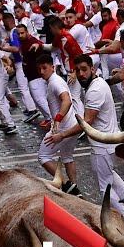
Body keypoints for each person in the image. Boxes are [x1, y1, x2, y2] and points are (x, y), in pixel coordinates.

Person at [57, 54, 124, 233]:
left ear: (92, 69)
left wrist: (62, 135)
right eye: (77, 70)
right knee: (110, 176)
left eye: (84, 70)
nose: (80, 74)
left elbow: (87, 122)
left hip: (103, 145)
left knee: (105, 187)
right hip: (108, 143)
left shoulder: (94, 90)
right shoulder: (98, 83)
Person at [36, 53, 81, 196]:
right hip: (72, 125)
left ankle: (66, 184)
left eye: (45, 68)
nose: (42, 72)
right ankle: (74, 188)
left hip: (62, 128)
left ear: (52, 67)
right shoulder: (54, 81)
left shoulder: (55, 82)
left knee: (43, 156)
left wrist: (57, 119)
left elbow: (66, 101)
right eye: (40, 69)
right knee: (67, 156)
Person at [1, 12, 38, 121]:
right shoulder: (14, 32)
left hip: (20, 62)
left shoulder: (14, 31)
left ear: (8, 21)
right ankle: (29, 107)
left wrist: (3, 48)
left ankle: (32, 109)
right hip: (22, 61)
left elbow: (17, 48)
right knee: (26, 87)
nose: (3, 25)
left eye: (4, 22)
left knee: (23, 87)